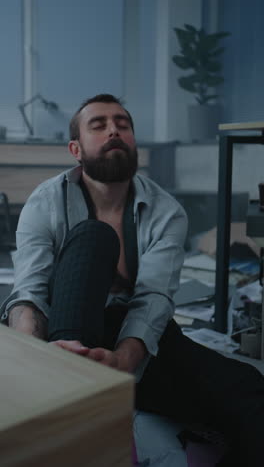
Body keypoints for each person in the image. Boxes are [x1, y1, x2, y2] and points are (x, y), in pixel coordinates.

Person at [1, 94, 264, 467]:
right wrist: (37, 363)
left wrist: (123, 361)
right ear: (76, 149)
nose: (114, 130)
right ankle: (64, 392)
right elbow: (29, 291)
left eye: (123, 125)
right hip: (59, 334)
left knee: (250, 390)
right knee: (94, 237)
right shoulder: (45, 201)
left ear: (134, 142)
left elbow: (153, 298)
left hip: (134, 341)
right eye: (99, 124)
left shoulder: (167, 211)